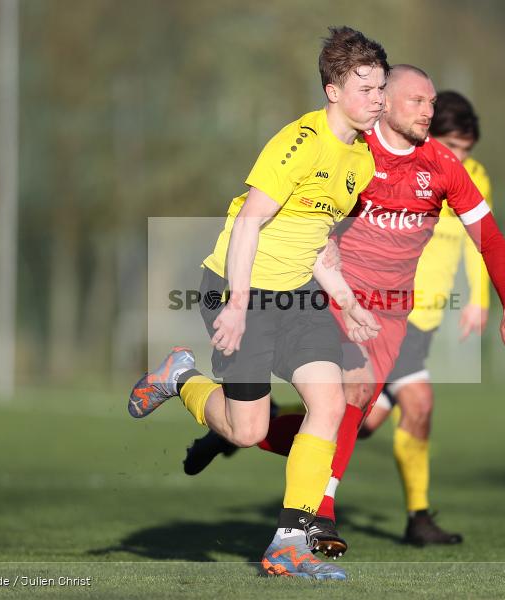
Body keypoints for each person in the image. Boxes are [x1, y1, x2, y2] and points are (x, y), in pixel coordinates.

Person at [128, 26, 388, 580]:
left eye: (381, 89)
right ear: (333, 90)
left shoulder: (361, 161)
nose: (377, 100)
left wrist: (345, 297)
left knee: (331, 403)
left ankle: (288, 543)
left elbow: (313, 237)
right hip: (237, 288)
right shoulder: (299, 142)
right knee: (247, 431)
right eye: (365, 88)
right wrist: (239, 304)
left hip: (298, 297)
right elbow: (250, 222)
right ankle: (181, 379)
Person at [253, 65, 505, 557]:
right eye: (417, 101)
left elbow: (488, 238)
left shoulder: (444, 166)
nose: (428, 110)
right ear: (385, 102)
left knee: (342, 415)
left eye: (431, 103)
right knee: (351, 393)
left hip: (391, 313)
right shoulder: (355, 154)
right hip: (331, 296)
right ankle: (319, 515)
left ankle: (232, 422)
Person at [357, 91, 492, 546]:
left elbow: (481, 239)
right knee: (418, 403)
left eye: (467, 150)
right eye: (452, 147)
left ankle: (249, 426)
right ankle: (417, 518)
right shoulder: (410, 171)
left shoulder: (473, 178)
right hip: (393, 308)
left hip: (427, 317)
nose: (460, 158)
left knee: (359, 420)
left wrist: (480, 299)